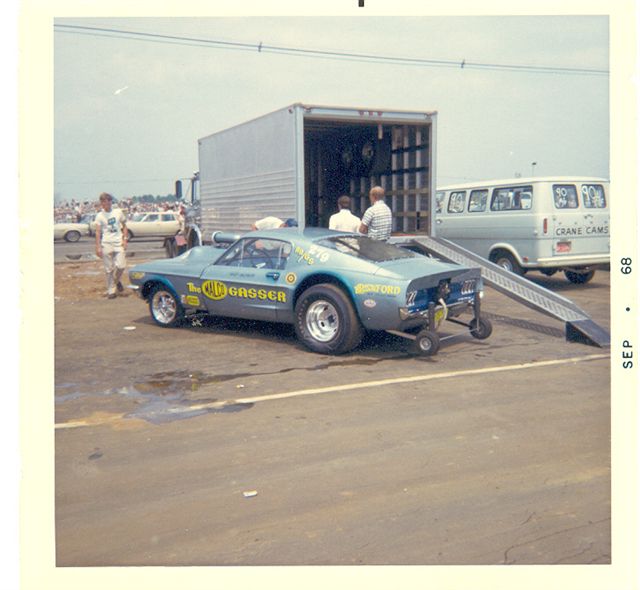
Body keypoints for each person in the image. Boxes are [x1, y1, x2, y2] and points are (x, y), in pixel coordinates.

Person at [94, 192, 128, 299]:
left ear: (110, 201)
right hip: (106, 243)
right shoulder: (99, 216)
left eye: (108, 201)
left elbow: (125, 226)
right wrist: (98, 246)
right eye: (103, 202)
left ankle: (115, 281)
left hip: (118, 242)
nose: (106, 203)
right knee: (109, 269)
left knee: (121, 266)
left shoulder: (118, 212)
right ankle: (111, 291)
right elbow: (98, 232)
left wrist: (125, 239)